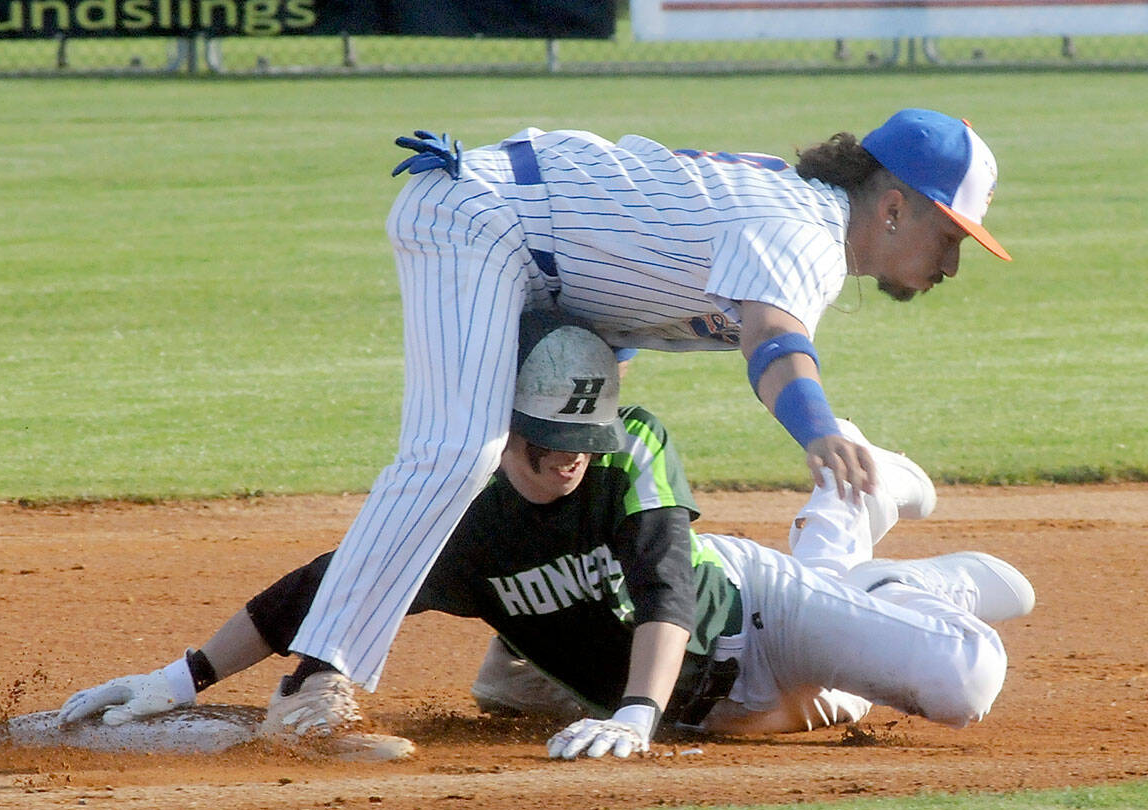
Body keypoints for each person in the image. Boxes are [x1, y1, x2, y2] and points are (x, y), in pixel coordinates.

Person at [287, 108, 1013, 709]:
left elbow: (609, 318)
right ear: (893, 207)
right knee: (459, 448)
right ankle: (315, 682)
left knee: (530, 447)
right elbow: (774, 340)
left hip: (518, 244)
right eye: (950, 237)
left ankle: (524, 645)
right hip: (479, 217)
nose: (951, 265)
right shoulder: (805, 231)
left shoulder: (796, 217)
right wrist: (818, 430)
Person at [60, 315, 1034, 758]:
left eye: (581, 442)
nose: (566, 461)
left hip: (755, 621)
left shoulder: (629, 452)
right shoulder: (467, 506)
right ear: (503, 428)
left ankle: (913, 585)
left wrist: (634, 715)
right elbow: (328, 587)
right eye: (546, 445)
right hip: (725, 713)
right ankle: (847, 510)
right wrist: (180, 676)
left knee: (961, 682)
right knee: (508, 683)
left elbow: (662, 592)